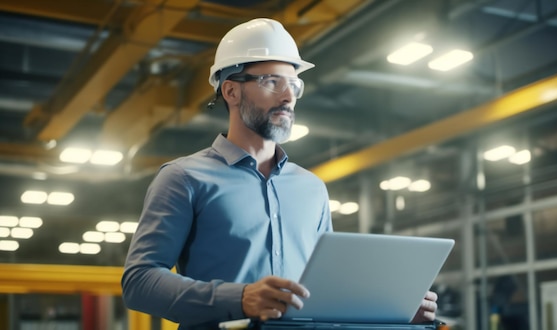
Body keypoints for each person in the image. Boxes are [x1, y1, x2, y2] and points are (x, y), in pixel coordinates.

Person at [121, 18, 438, 329]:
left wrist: (390, 312)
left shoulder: (311, 188)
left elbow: (324, 292)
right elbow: (139, 281)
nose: (288, 97)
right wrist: (240, 297)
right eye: (271, 82)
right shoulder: (184, 178)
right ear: (231, 91)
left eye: (294, 85)